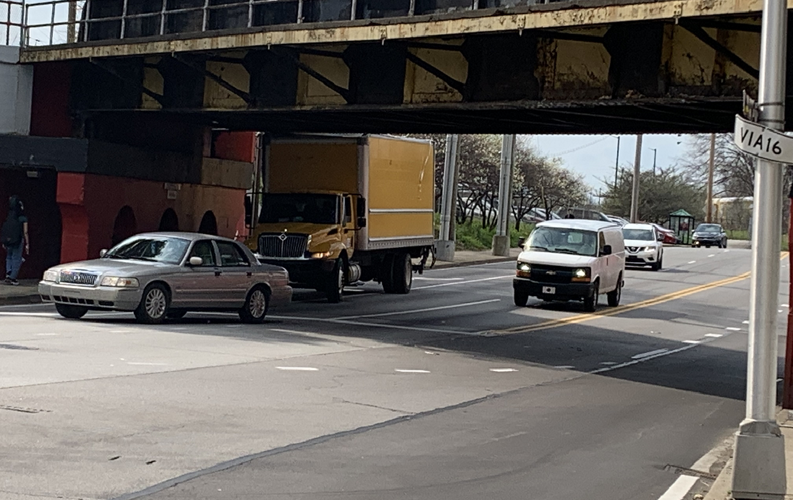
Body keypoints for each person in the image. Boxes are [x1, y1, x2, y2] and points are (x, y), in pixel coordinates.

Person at [1, 196, 29, 286]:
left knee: (9, 257)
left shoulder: (8, 216)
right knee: (16, 258)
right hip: (18, 240)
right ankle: (13, 277)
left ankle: (8, 274)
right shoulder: (23, 218)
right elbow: (25, 232)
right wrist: (27, 244)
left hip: (8, 241)